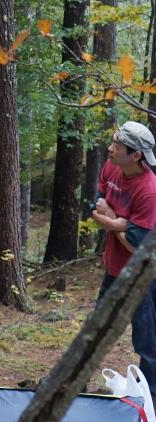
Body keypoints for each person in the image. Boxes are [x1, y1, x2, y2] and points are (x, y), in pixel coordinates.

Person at [93, 121, 156, 399]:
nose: (110, 149)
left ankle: (150, 399)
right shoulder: (111, 167)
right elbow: (98, 204)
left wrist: (113, 222)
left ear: (136, 155)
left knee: (146, 342)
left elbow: (136, 244)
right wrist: (120, 223)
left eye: (117, 147)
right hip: (114, 269)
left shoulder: (149, 190)